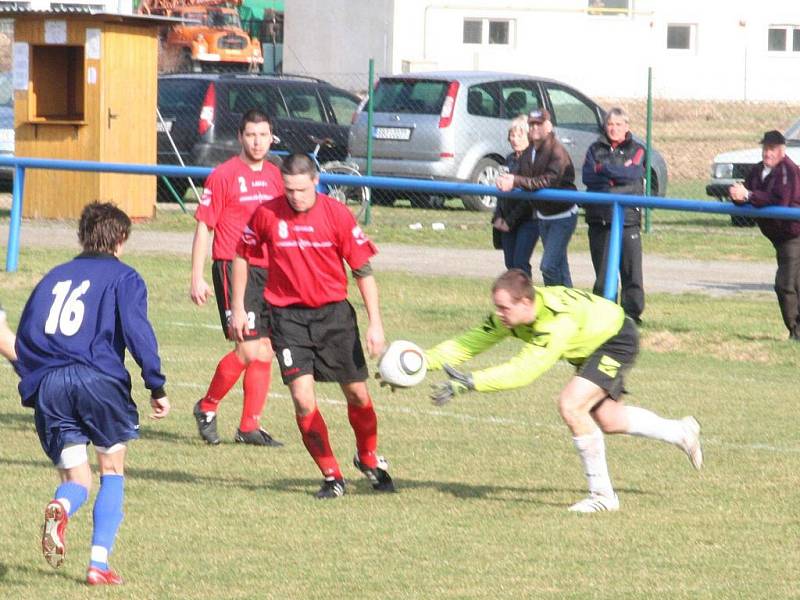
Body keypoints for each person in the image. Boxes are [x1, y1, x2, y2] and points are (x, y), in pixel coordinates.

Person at [425, 269, 702, 513]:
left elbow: (524, 371)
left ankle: (603, 496)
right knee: (610, 420)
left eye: (503, 308)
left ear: (524, 302)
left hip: (615, 339)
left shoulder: (556, 323)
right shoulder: (515, 314)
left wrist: (472, 382)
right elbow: (467, 343)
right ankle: (680, 432)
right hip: (589, 345)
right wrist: (423, 362)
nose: (499, 314)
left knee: (571, 405)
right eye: (496, 307)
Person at [14, 202, 170, 585]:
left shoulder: (53, 277)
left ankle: (62, 504)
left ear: (82, 236)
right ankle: (98, 564)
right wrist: (156, 384)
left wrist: (36, 382)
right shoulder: (125, 277)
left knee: (76, 478)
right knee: (111, 470)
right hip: (98, 381)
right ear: (121, 239)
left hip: (52, 386)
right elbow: (138, 333)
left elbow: (26, 337)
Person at [231, 153, 394, 499]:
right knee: (303, 401)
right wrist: (239, 307)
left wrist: (375, 323)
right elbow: (242, 254)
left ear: (316, 182)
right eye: (288, 190)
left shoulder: (336, 215)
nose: (294, 197)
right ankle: (332, 475)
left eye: (301, 190)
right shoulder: (267, 213)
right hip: (287, 318)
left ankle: (367, 456)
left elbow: (362, 271)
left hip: (334, 316)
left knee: (357, 394)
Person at [190, 109, 284, 447]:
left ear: (271, 137)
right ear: (240, 137)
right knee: (246, 348)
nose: (257, 142)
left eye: (263, 135)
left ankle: (248, 427)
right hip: (232, 266)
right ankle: (207, 406)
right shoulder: (224, 175)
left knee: (265, 349)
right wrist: (197, 276)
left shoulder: (276, 176)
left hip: (268, 271)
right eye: (250, 135)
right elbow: (204, 226)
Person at [730, 130, 800, 341]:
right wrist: (737, 195)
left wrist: (749, 195)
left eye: (771, 149)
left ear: (781, 150)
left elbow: (781, 201)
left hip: (794, 235)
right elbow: (747, 190)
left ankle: (795, 332)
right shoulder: (759, 170)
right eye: (765, 149)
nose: (767, 153)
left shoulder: (788, 171)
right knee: (795, 283)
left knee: (785, 284)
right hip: (778, 236)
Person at [496, 109, 578, 287]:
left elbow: (548, 180)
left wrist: (515, 181)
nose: (534, 128)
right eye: (531, 124)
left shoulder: (557, 151)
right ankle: (568, 306)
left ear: (548, 126)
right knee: (559, 266)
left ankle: (556, 303)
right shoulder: (530, 151)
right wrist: (505, 179)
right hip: (543, 215)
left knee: (548, 266)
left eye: (539, 124)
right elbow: (519, 173)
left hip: (562, 216)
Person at [582, 107, 646, 323]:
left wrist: (604, 170)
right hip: (599, 219)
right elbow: (588, 176)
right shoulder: (594, 148)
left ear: (627, 127)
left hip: (628, 219)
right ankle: (604, 315)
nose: (614, 128)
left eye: (619, 125)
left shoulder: (637, 149)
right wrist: (615, 174)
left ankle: (631, 316)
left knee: (631, 272)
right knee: (603, 274)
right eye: (611, 124)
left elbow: (633, 174)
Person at [492, 115, 539, 277]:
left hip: (528, 219)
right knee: (510, 263)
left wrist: (510, 221)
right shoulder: (509, 159)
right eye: (512, 135)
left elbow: (529, 197)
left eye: (520, 135)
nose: (515, 139)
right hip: (507, 219)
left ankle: (525, 299)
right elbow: (501, 192)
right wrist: (498, 216)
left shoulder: (534, 159)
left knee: (520, 263)